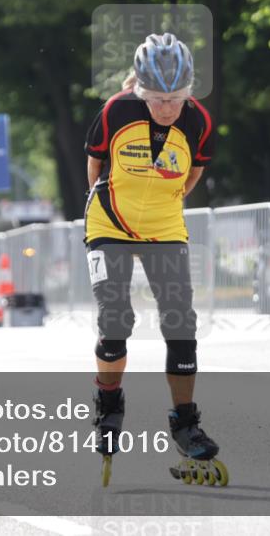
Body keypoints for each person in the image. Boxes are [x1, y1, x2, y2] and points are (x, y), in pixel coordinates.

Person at [84, 32, 221, 473]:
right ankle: (108, 405)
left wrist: (163, 207)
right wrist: (112, 212)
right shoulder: (116, 110)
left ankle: (185, 423)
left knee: (181, 319)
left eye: (176, 98)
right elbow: (95, 164)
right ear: (140, 90)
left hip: (163, 226)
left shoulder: (198, 121)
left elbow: (192, 174)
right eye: (158, 98)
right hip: (110, 223)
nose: (167, 107)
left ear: (190, 90)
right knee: (115, 320)